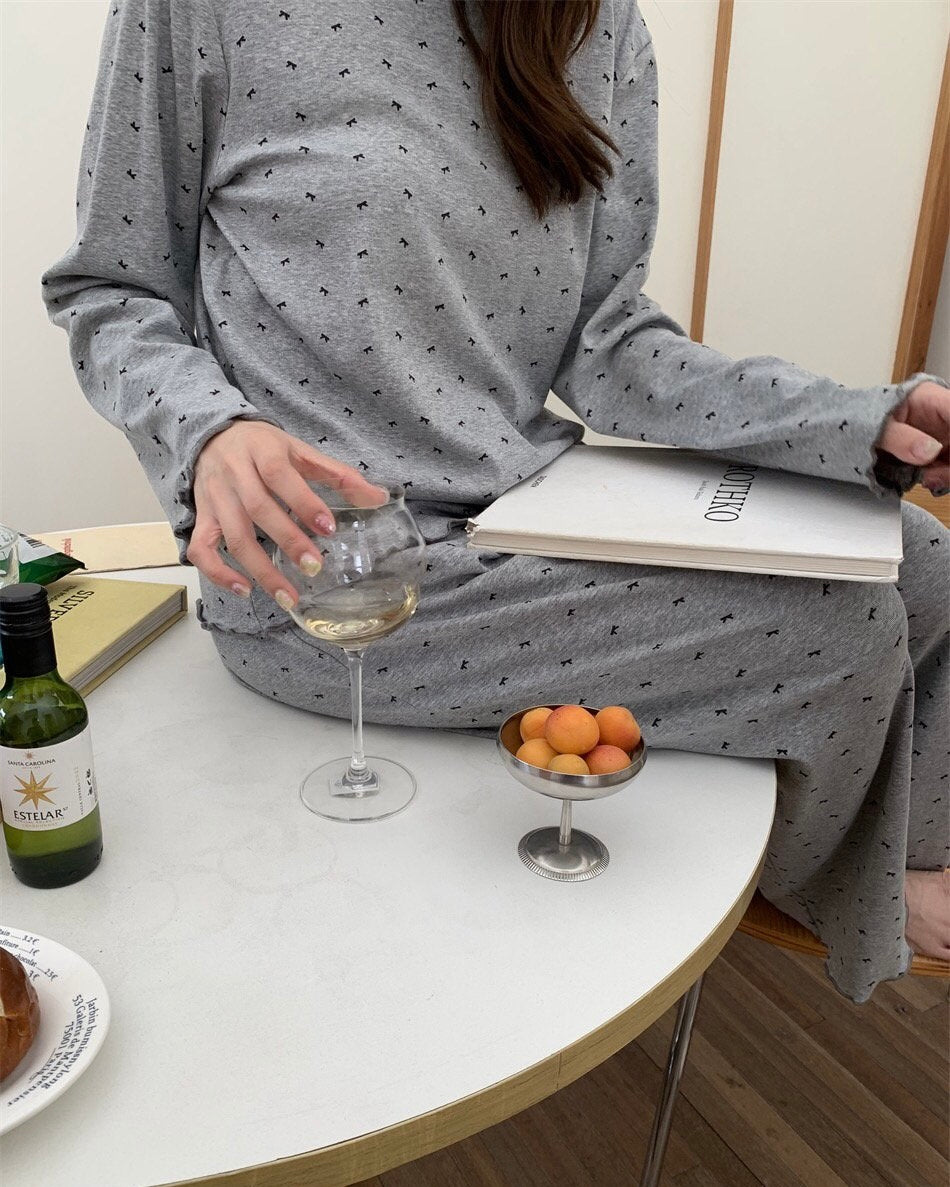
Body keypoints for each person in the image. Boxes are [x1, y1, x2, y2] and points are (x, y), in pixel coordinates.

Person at [41, 0, 948, 1001]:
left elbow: (609, 344)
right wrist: (211, 430)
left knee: (924, 560)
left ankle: (919, 850)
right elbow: (108, 291)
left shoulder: (598, 26)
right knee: (841, 630)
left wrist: (855, 423)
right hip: (323, 565)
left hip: (533, 499)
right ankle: (854, 890)